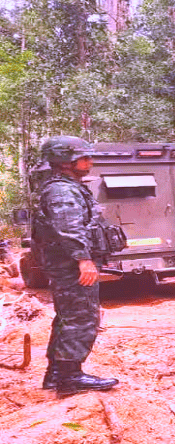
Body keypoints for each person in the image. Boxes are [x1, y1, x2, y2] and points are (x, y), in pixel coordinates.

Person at [32, 136, 120, 396]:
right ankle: (71, 378)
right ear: (66, 161)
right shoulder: (62, 190)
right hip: (70, 264)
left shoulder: (67, 186)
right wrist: (84, 259)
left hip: (66, 263)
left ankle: (56, 375)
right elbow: (68, 229)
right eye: (84, 157)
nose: (89, 161)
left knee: (67, 317)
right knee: (81, 318)